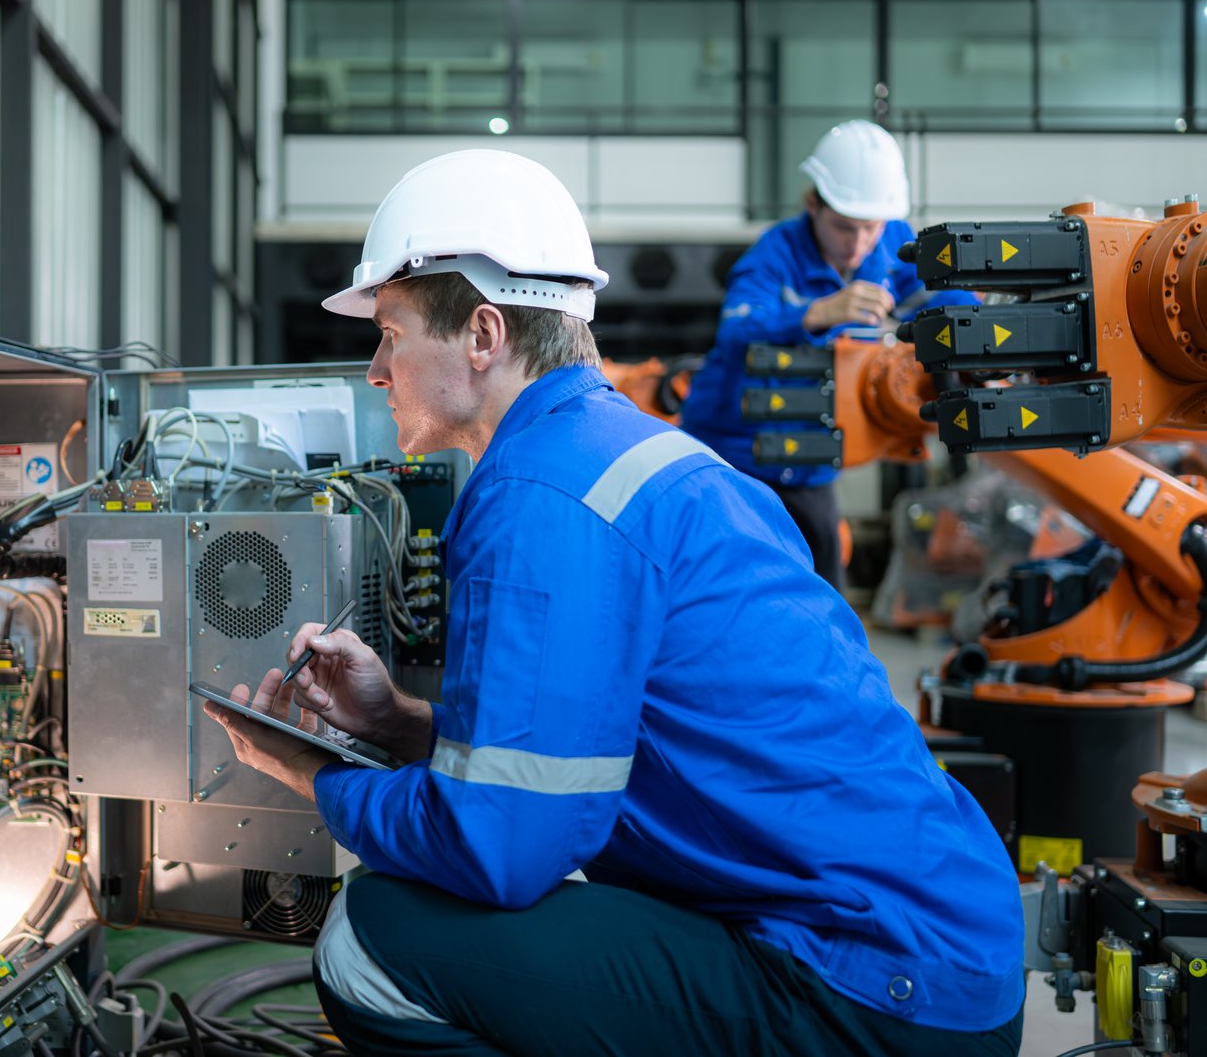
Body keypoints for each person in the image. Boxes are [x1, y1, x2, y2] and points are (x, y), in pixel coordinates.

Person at [203, 149, 1023, 1056]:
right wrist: (398, 724)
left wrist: (316, 777)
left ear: (483, 336)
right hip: (947, 947)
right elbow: (588, 757)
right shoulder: (651, 458)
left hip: (869, 986)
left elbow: (507, 846)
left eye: (390, 333)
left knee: (369, 938)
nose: (374, 370)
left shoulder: (538, 497)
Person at [679, 120, 979, 589]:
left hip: (808, 456)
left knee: (823, 591)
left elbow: (941, 295)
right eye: (844, 227)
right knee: (723, 585)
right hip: (730, 451)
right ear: (812, 203)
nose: (858, 244)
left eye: (869, 228)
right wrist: (819, 312)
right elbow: (737, 330)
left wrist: (981, 327)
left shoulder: (888, 242)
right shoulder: (774, 254)